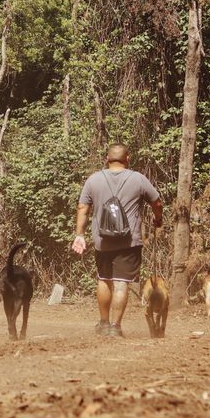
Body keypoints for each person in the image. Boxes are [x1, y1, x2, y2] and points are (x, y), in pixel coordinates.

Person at [72, 143, 163, 338]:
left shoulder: (94, 179)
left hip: (102, 240)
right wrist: (158, 219)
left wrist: (79, 234)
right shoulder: (138, 179)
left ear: (107, 158)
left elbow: (82, 208)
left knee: (104, 279)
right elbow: (157, 201)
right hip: (129, 242)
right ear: (127, 158)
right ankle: (115, 326)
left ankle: (103, 323)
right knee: (122, 283)